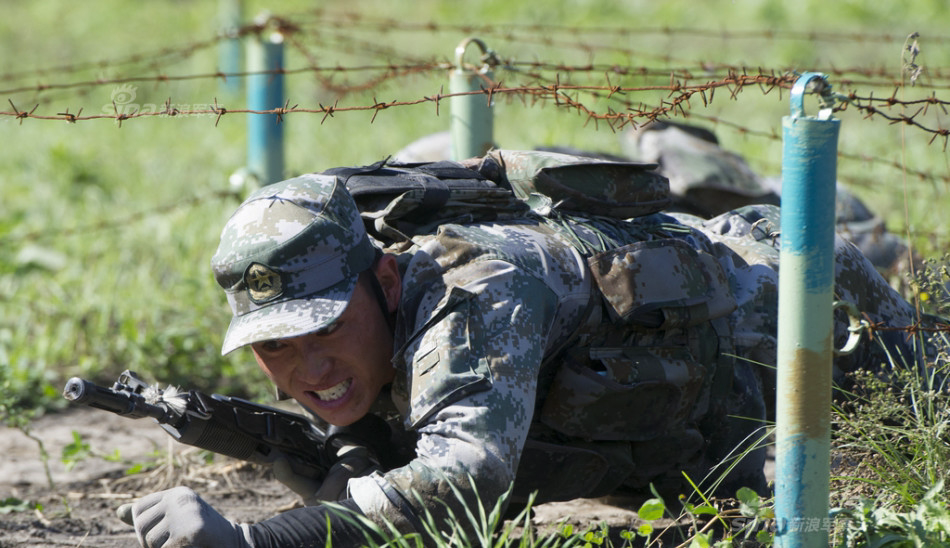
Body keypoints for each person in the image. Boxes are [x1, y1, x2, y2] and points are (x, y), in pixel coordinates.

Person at [116, 151, 936, 548]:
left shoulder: (476, 290)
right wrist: (342, 465)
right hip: (719, 437)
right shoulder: (392, 338)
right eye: (275, 347)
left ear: (389, 284)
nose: (307, 370)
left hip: (817, 322)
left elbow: (466, 476)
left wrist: (260, 540)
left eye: (326, 326)